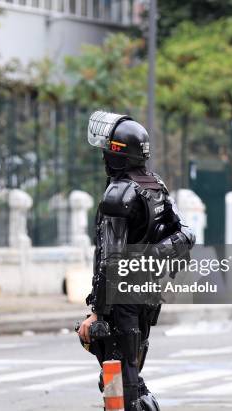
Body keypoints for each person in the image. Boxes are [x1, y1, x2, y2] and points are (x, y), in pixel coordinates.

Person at [77, 111, 195, 411]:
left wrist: (98, 314)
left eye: (107, 150)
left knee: (123, 384)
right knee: (125, 378)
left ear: (116, 155)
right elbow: (185, 235)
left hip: (123, 300)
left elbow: (110, 263)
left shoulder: (119, 194)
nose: (104, 155)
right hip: (147, 295)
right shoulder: (155, 185)